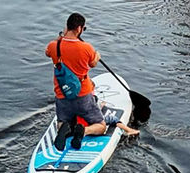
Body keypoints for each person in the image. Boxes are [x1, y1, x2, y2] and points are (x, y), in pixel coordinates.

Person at [44, 13, 137, 150]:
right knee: (101, 126)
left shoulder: (54, 46)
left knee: (62, 120)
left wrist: (61, 37)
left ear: (67, 27)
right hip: (83, 95)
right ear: (79, 29)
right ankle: (84, 130)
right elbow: (92, 64)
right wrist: (97, 56)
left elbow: (47, 53)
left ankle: (63, 127)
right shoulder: (86, 48)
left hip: (62, 94)